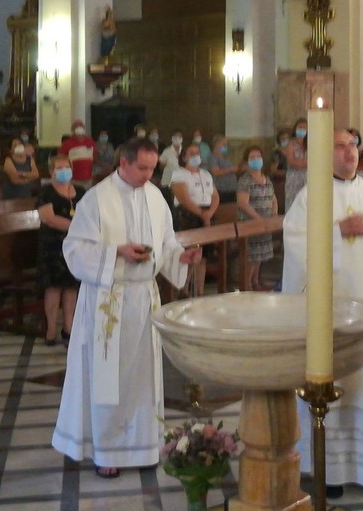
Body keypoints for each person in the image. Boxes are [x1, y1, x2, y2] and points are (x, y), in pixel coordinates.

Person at [51, 138, 201, 478]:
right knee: (110, 380)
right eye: (143, 168)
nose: (149, 175)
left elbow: (167, 242)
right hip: (110, 300)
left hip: (144, 300)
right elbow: (74, 249)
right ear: (124, 162)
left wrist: (181, 256)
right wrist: (116, 251)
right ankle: (107, 452)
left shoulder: (155, 196)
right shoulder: (97, 199)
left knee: (143, 377)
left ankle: (143, 446)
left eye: (153, 168)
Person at [282, 128, 363, 496]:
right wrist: (338, 230)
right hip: (333, 312)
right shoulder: (310, 199)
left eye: (353, 145)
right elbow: (295, 244)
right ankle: (330, 472)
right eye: (339, 146)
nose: (349, 152)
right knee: (335, 377)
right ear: (326, 154)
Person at [37, 155, 84, 346]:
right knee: (54, 287)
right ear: (51, 171)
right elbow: (47, 218)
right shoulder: (46, 192)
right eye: (59, 167)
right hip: (52, 245)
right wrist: (76, 226)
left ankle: (68, 327)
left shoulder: (80, 191)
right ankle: (50, 330)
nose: (64, 170)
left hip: (74, 246)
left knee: (71, 286)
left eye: (67, 167)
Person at [170, 142, 219, 295]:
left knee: (203, 256)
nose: (196, 156)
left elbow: (215, 195)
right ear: (184, 157)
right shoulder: (179, 174)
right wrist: (201, 213)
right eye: (191, 153)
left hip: (207, 215)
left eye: (197, 153)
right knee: (190, 254)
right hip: (187, 216)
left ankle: (200, 290)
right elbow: (184, 198)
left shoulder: (206, 174)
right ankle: (184, 290)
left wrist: (209, 213)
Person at [236, 145, 278, 291]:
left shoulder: (266, 179)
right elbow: (242, 203)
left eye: (258, 157)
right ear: (247, 161)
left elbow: (273, 198)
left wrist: (273, 215)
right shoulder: (245, 180)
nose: (255, 160)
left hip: (265, 224)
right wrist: (257, 218)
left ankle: (255, 281)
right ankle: (246, 284)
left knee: (260, 256)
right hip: (251, 223)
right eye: (252, 158)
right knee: (252, 256)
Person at [59, 119, 96, 188]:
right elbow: (60, 159)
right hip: (73, 179)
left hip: (88, 178)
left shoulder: (90, 142)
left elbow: (94, 157)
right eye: (76, 126)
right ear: (72, 130)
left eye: (81, 125)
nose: (79, 127)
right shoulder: (66, 144)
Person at [284, 117, 308, 211]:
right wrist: (307, 164)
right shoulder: (291, 144)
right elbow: (292, 161)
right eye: (300, 127)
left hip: (307, 177)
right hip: (294, 178)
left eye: (304, 128)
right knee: (294, 203)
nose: (302, 129)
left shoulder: (310, 144)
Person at [207, 134, 238, 203]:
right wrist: (231, 169)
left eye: (226, 145)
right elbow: (216, 172)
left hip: (231, 191)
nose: (225, 146)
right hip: (221, 192)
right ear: (216, 145)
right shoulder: (213, 157)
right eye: (223, 144)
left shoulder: (225, 158)